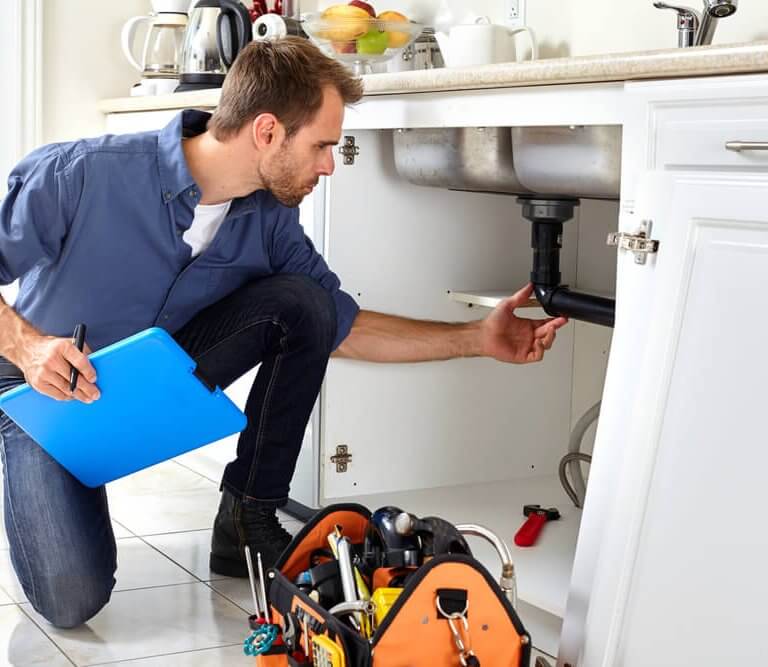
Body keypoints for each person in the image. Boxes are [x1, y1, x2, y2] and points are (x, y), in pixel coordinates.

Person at [0, 38, 567, 628]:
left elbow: (340, 327)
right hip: (42, 398)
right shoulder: (81, 174)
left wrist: (477, 337)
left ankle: (248, 516)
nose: (328, 163)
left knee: (305, 304)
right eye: (321, 145)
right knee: (72, 601)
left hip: (151, 384)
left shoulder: (269, 223)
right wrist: (28, 346)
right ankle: (44, 468)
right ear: (267, 131)